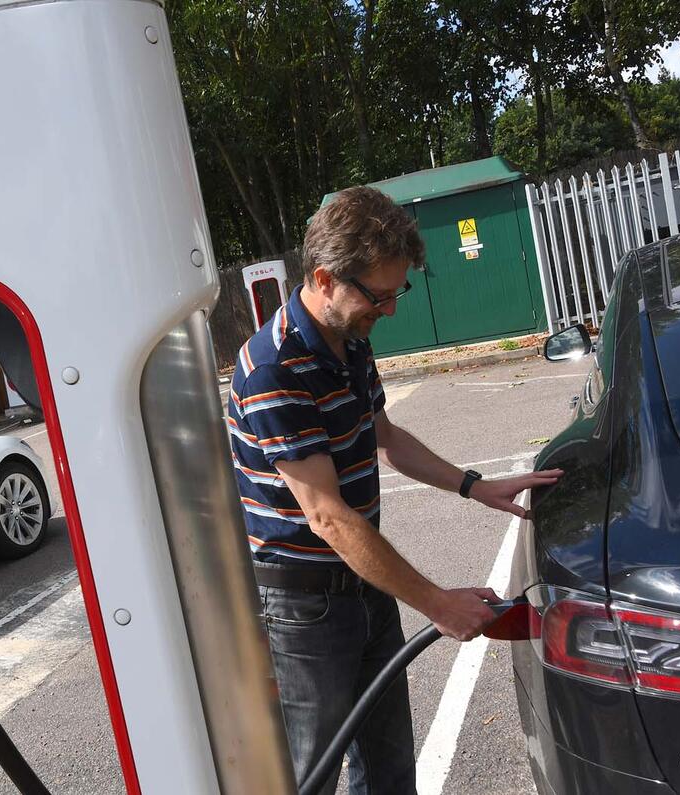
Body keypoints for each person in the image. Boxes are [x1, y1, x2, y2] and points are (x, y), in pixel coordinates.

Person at [227, 186, 562, 794]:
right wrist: (436, 602)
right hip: (306, 608)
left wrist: (474, 485)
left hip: (363, 580)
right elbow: (326, 516)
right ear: (325, 278)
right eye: (378, 296)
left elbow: (382, 434)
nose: (389, 311)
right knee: (316, 772)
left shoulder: (349, 342)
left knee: (387, 765)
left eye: (395, 293)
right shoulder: (274, 369)